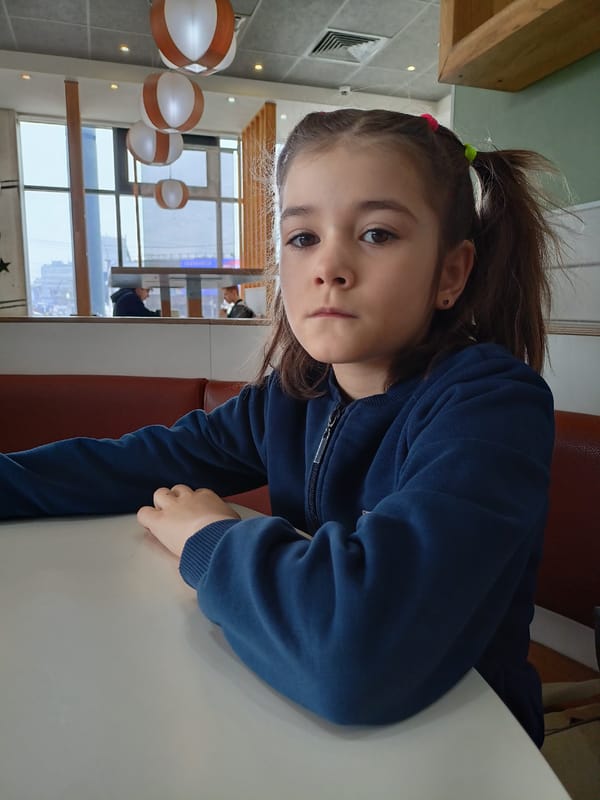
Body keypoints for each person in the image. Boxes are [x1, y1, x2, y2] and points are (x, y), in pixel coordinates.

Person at [0, 110, 562, 745]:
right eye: (302, 238)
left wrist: (208, 539)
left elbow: (355, 656)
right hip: (306, 724)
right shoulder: (292, 398)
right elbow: (139, 461)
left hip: (460, 744)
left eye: (377, 234)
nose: (330, 266)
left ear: (451, 274)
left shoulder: (490, 407)